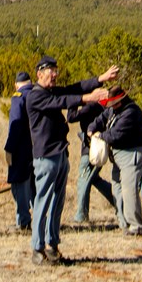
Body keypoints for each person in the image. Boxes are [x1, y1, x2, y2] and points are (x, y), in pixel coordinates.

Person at [24, 56, 117, 265]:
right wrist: (87, 98)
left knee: (57, 203)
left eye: (56, 71)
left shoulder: (50, 91)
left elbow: (74, 88)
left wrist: (100, 78)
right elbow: (62, 101)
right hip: (46, 156)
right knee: (42, 203)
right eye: (51, 71)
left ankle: (53, 246)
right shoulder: (35, 96)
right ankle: (38, 249)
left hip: (60, 154)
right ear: (39, 74)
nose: (55, 75)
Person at [86, 86, 142, 235]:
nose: (111, 107)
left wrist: (98, 136)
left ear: (121, 100)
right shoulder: (114, 109)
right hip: (119, 155)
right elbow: (101, 118)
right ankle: (123, 222)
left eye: (114, 103)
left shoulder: (131, 112)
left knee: (129, 189)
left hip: (131, 153)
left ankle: (136, 226)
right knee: (117, 188)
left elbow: (115, 135)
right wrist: (91, 128)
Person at [68, 100, 115, 223]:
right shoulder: (101, 107)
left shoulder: (91, 106)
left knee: (83, 179)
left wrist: (72, 100)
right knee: (93, 179)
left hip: (91, 149)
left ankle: (81, 215)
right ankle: (119, 201)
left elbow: (71, 117)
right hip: (98, 148)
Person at [4, 71, 36, 231]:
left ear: (17, 84)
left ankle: (23, 221)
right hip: (38, 147)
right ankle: (39, 219)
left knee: (19, 184)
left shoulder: (19, 97)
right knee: (35, 186)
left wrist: (9, 148)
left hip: (21, 148)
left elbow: (15, 126)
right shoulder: (38, 94)